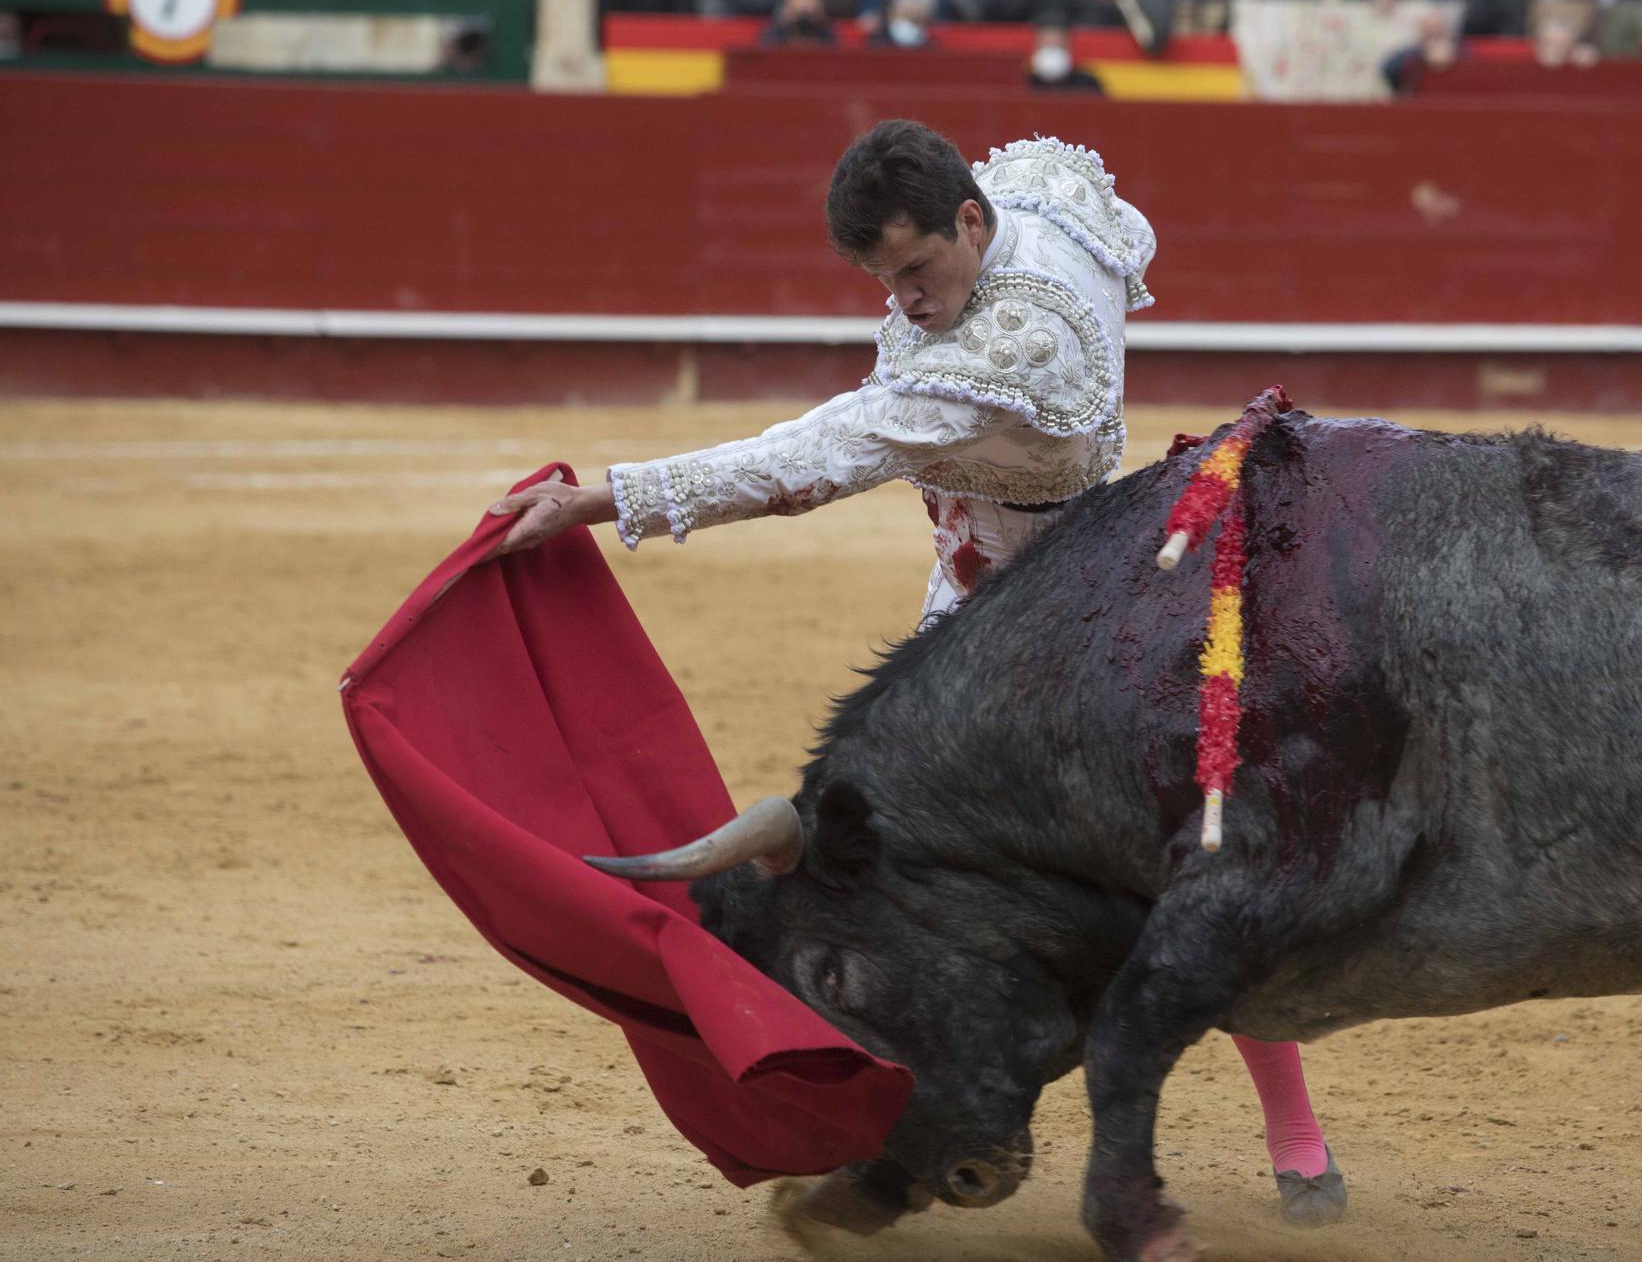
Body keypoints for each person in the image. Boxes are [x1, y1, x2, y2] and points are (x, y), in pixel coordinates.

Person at [487, 119, 1347, 1227]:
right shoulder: (1026, 209)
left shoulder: (1012, 352)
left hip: (1061, 646)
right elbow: (1072, 201)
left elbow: (812, 458)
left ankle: (1283, 1128)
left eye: (916, 268)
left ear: (969, 223)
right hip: (980, 621)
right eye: (880, 277)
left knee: (1171, 876)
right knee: (912, 886)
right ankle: (907, 1138)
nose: (901, 298)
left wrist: (604, 499)